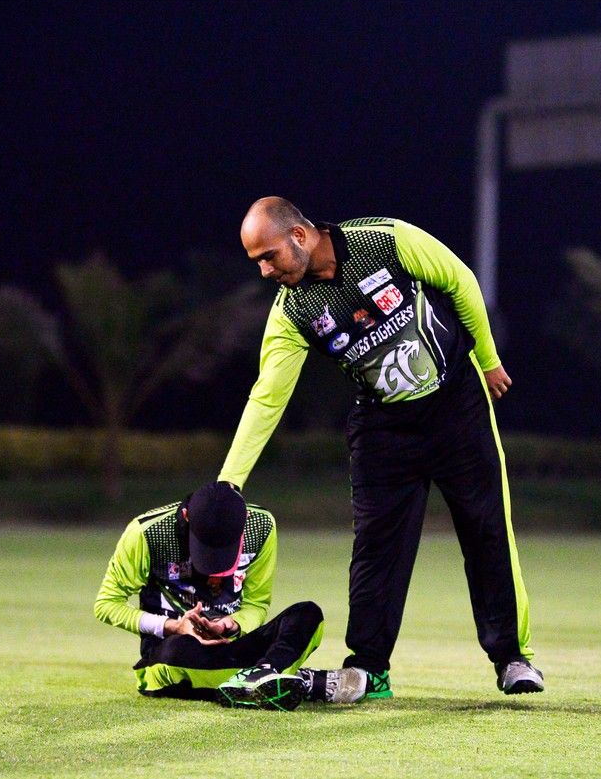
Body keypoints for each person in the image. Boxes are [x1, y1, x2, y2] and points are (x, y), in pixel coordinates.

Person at [218, 197, 544, 699]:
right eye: (256, 261)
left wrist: (488, 357)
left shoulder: (385, 240)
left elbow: (460, 281)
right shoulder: (292, 311)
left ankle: (512, 658)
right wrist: (230, 481)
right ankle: (370, 668)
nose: (264, 271)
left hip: (455, 404)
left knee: (486, 529)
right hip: (382, 428)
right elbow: (267, 396)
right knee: (376, 549)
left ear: (299, 236)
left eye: (268, 256)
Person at [93, 480, 368, 709]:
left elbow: (256, 603)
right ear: (186, 517)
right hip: (176, 651)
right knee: (170, 660)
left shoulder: (261, 526)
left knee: (307, 615)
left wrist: (233, 625)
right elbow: (106, 604)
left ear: (244, 521)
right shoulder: (147, 533)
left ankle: (262, 675)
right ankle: (294, 680)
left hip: (236, 647)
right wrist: (172, 626)